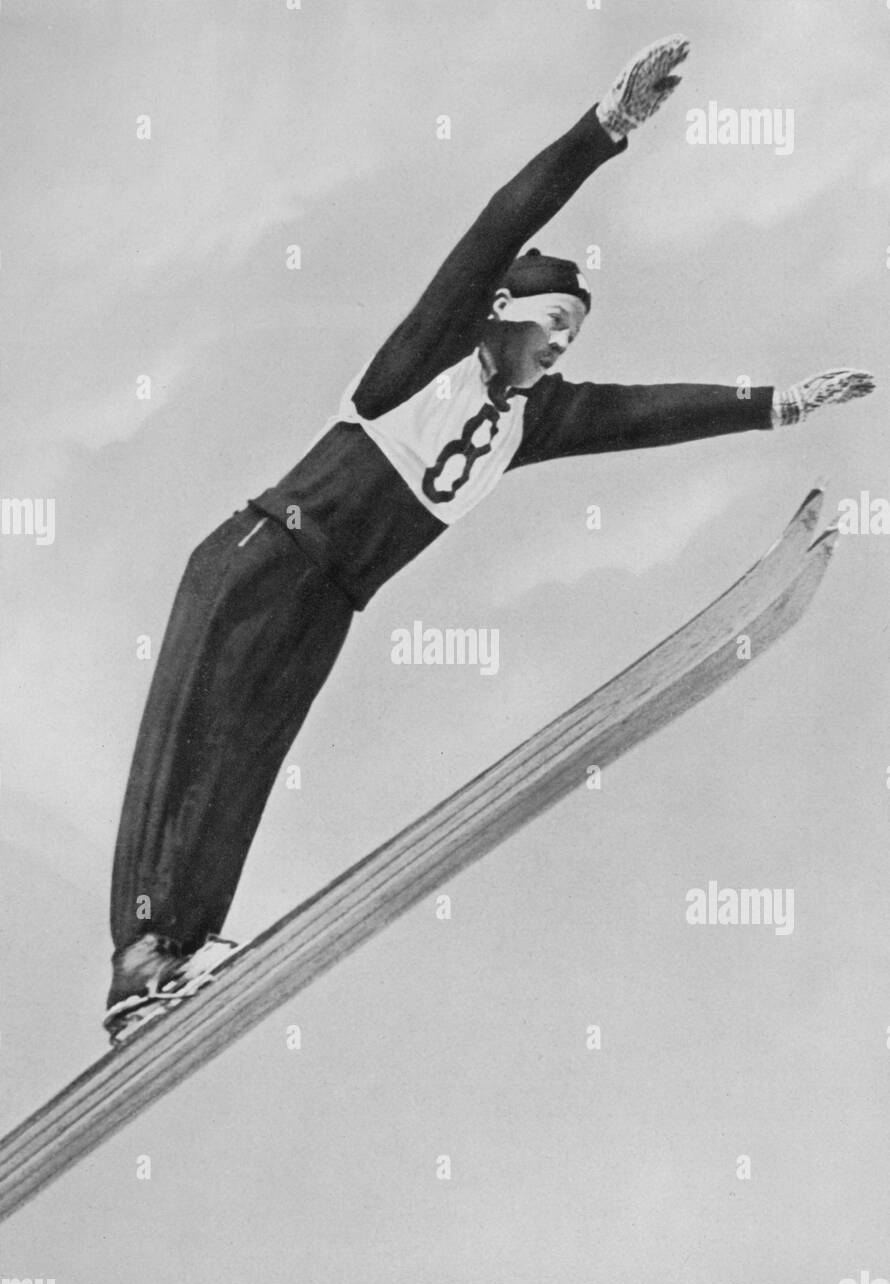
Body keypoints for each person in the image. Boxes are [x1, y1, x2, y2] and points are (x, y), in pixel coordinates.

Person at [105, 35, 874, 1036]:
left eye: (575, 334)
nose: (561, 345)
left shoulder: (529, 424)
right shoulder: (430, 357)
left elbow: (646, 411)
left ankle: (169, 966)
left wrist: (771, 402)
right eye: (552, 321)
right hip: (259, 560)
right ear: (500, 312)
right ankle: (138, 947)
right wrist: (606, 128)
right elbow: (500, 222)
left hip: (332, 602)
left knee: (248, 760)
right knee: (194, 743)